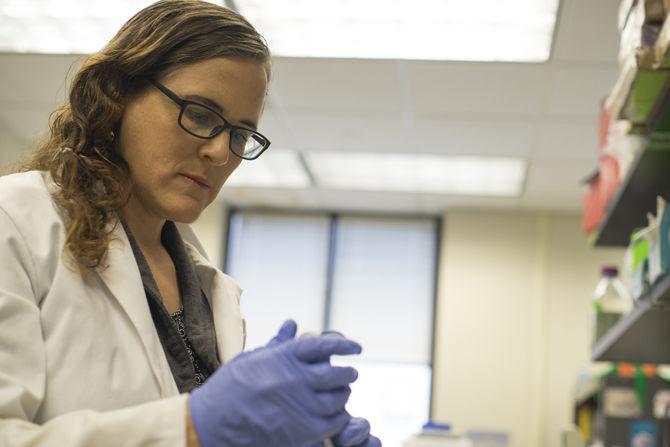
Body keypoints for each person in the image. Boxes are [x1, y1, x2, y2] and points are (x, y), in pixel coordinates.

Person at [0, 1, 381, 446]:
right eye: (200, 114)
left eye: (241, 134)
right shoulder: (16, 223)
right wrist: (192, 424)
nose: (222, 152)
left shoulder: (207, 288)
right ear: (116, 94)